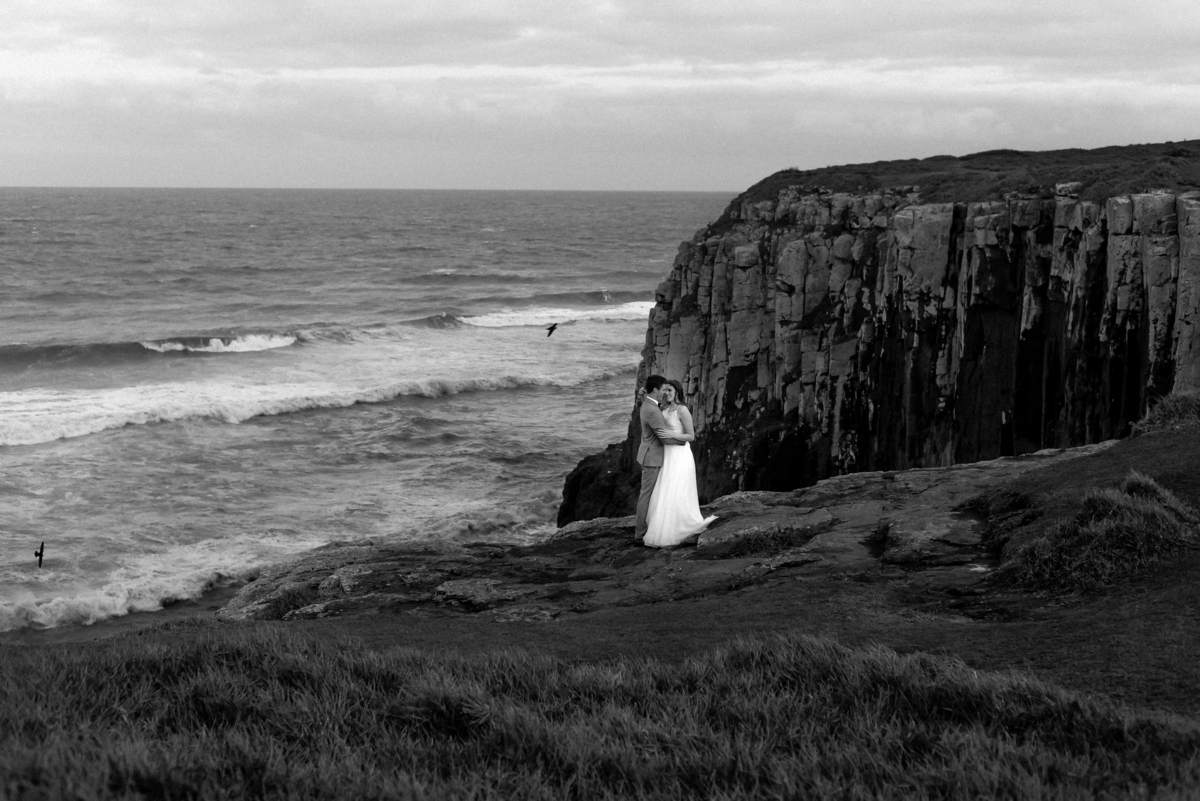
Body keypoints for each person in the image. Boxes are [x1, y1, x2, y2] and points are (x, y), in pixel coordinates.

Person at [642, 379, 717, 548]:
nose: (667, 393)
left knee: (678, 488)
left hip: (680, 454)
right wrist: (643, 397)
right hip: (666, 454)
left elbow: (691, 436)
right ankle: (664, 525)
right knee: (665, 488)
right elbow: (651, 412)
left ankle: (680, 525)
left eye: (670, 390)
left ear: (677, 392)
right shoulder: (663, 409)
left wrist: (671, 434)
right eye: (665, 390)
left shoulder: (682, 410)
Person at [634, 374, 675, 541]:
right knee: (646, 496)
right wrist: (684, 442)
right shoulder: (652, 410)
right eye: (663, 389)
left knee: (650, 494)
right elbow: (663, 436)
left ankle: (648, 528)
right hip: (652, 458)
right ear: (656, 390)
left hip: (649, 454)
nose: (665, 392)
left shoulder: (647, 404)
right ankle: (640, 534)